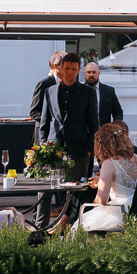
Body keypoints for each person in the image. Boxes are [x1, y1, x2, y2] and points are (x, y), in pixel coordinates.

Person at [37, 52, 99, 182]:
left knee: (75, 192)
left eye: (73, 69)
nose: (70, 72)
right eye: (67, 68)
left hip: (79, 151)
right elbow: (44, 123)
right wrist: (43, 146)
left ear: (79, 70)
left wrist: (89, 150)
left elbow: (94, 124)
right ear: (61, 68)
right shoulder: (50, 91)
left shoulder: (89, 92)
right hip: (53, 149)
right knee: (53, 190)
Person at [78, 123, 137, 233]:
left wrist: (95, 205)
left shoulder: (109, 163)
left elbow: (101, 200)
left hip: (121, 212)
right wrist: (101, 181)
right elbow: (130, 182)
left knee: (80, 225)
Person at [29, 51, 66, 124]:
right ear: (56, 66)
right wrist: (52, 122)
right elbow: (34, 112)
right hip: (45, 131)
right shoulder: (44, 84)